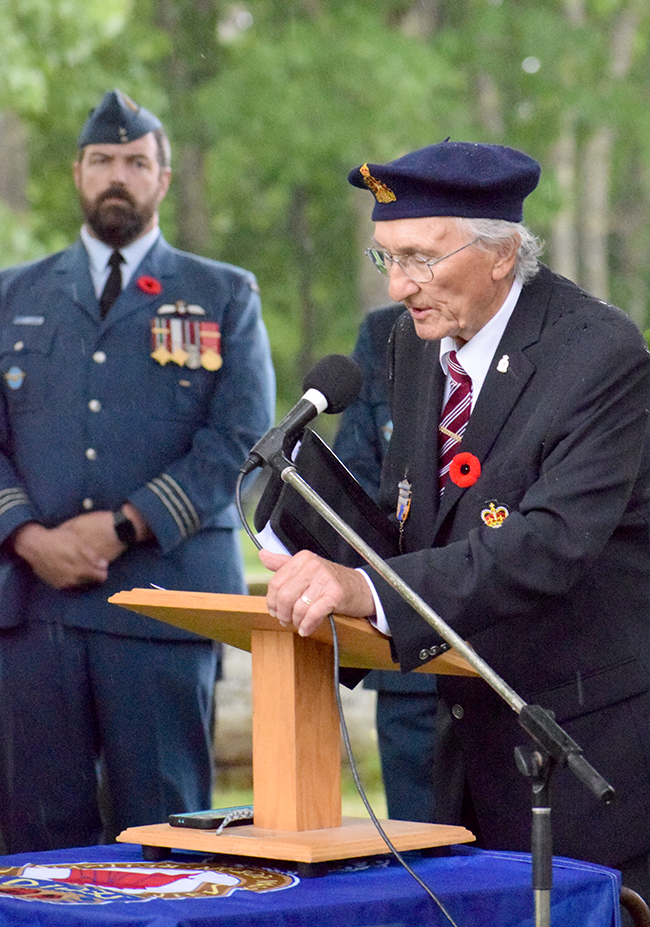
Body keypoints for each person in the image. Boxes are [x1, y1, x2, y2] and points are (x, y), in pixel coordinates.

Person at [260, 139, 650, 900]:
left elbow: (546, 545)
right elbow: (426, 525)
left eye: (421, 258)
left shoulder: (599, 354)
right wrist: (317, 555)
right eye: (386, 259)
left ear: (502, 254)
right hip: (465, 744)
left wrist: (367, 589)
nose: (400, 286)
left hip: (582, 752)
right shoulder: (415, 342)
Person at [0, 89, 275, 853]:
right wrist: (26, 536)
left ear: (164, 178)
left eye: (134, 161)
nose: (116, 175)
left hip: (167, 602)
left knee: (166, 831)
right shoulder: (10, 294)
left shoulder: (224, 292)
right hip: (33, 606)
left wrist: (123, 523)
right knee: (32, 839)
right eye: (101, 161)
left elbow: (242, 439)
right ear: (76, 174)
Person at [333, 304, 439, 823]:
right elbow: (355, 483)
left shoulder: (555, 331)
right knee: (422, 857)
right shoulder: (385, 332)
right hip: (409, 658)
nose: (403, 280)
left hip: (514, 657)